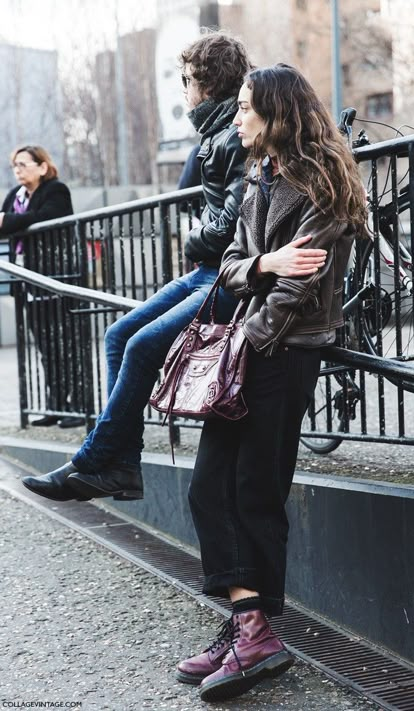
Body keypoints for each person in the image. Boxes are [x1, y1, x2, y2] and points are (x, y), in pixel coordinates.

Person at [177, 64, 367, 702]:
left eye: (245, 108)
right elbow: (229, 266)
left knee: (254, 492)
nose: (235, 118)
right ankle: (247, 625)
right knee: (209, 488)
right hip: (248, 349)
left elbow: (297, 288)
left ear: (277, 114)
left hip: (283, 353)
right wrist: (263, 261)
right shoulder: (259, 175)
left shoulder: (324, 183)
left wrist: (245, 342)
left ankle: (252, 631)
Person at [22, 31, 252, 501]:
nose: (183, 91)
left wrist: (192, 236)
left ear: (205, 82)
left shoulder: (235, 135)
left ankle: (92, 461)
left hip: (228, 275)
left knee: (143, 345)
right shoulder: (216, 133)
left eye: (186, 80)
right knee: (117, 335)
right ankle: (123, 466)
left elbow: (227, 225)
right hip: (209, 270)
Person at [0, 145, 83, 428]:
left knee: (66, 344)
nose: (18, 170)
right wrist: (11, 221)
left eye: (23, 164)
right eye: (15, 166)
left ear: (43, 167)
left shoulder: (56, 191)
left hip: (56, 280)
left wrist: (10, 222)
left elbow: (43, 218)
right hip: (29, 283)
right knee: (46, 348)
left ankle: (77, 405)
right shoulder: (16, 196)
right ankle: (57, 405)